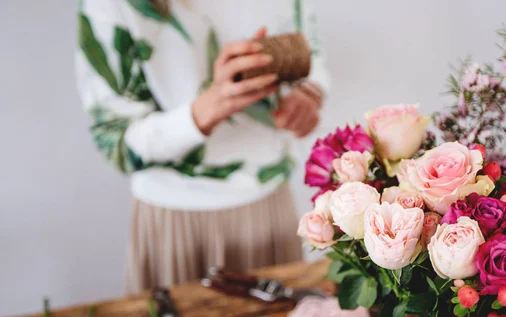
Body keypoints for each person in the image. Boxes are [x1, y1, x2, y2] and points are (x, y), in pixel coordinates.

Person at [75, 0, 329, 293]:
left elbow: (312, 53)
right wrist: (202, 114)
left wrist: (309, 96)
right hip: (173, 220)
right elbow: (115, 140)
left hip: (268, 205)